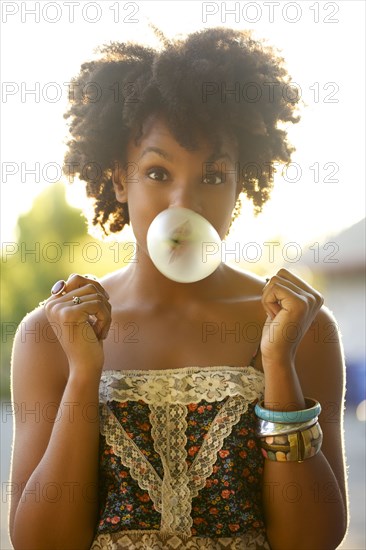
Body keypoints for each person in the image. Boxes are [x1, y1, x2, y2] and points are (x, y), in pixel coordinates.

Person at [9, 27, 348, 550]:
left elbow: (311, 541)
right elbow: (42, 543)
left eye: (213, 177)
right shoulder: (51, 333)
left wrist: (278, 366)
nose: (182, 203)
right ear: (119, 180)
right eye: (158, 171)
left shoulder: (300, 328)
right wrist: (83, 375)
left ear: (242, 187)